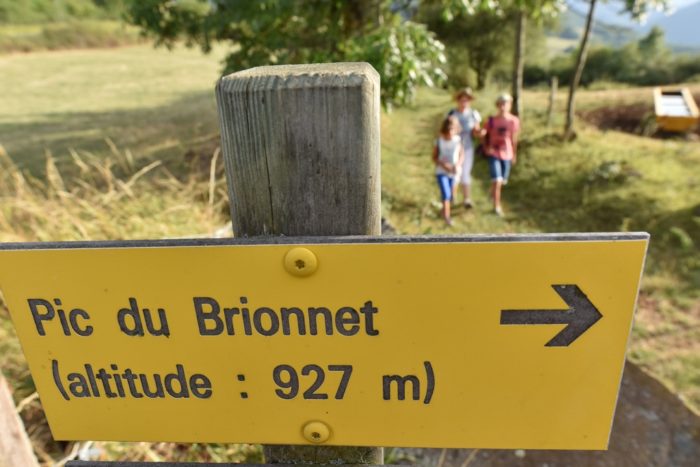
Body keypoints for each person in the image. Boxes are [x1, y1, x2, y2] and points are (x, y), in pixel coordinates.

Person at [482, 93, 520, 216]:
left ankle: (493, 193)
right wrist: (486, 148)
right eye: (501, 104)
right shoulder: (491, 120)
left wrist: (514, 154)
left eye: (505, 104)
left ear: (509, 105)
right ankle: (496, 206)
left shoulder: (513, 121)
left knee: (502, 181)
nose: (503, 107)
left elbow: (514, 139)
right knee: (497, 180)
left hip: (507, 153)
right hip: (494, 153)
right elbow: (484, 135)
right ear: (497, 105)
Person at [448, 88, 481, 208]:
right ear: (457, 101)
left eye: (466, 100)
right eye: (461, 100)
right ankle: (452, 196)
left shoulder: (474, 114)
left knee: (466, 173)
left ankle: (467, 199)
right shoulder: (452, 113)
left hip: (467, 147)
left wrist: (480, 133)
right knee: (454, 172)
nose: (464, 102)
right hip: (453, 148)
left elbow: (476, 131)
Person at [432, 116, 464, 226]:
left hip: (454, 172)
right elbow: (434, 157)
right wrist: (443, 165)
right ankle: (447, 218)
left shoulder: (457, 140)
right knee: (446, 193)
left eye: (453, 130)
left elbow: (461, 155)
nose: (450, 133)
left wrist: (458, 165)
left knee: (450, 195)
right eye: (449, 130)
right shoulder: (439, 141)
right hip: (442, 171)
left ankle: (444, 211)